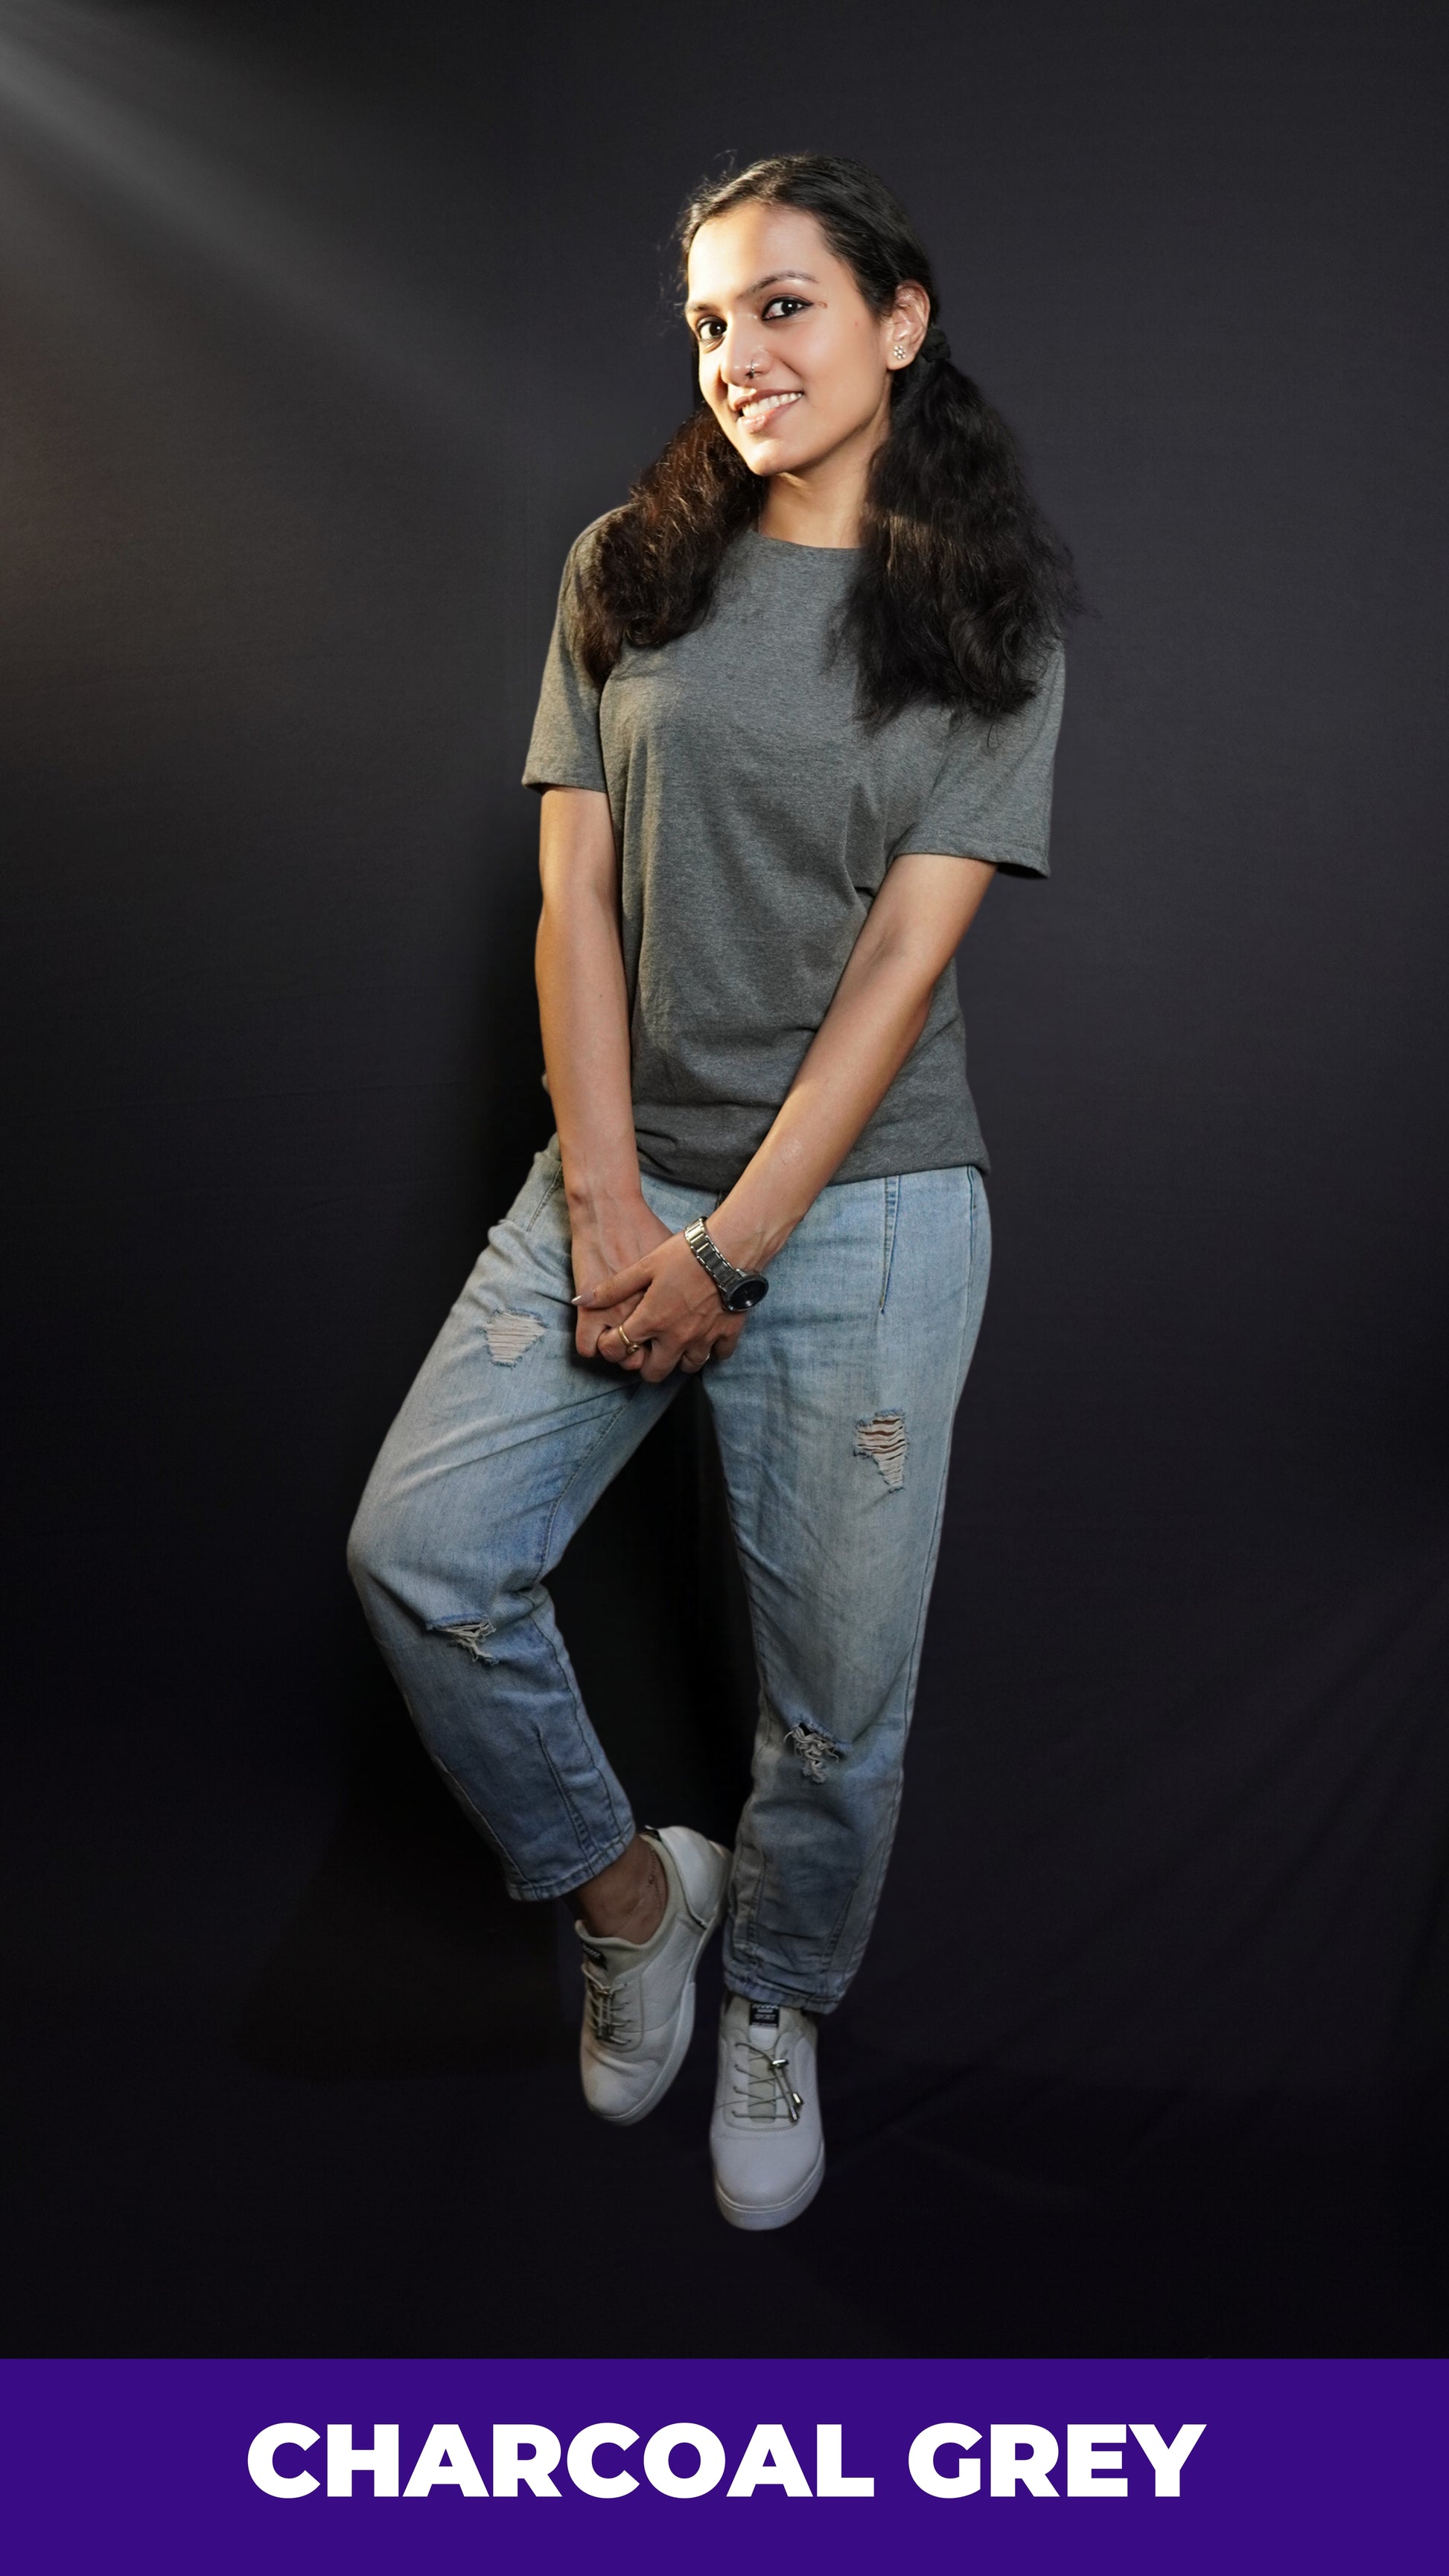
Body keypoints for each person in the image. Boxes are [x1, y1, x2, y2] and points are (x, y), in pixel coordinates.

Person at [347, 151, 1073, 2231]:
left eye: (782, 305)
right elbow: (572, 899)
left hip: (862, 1214)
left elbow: (901, 969)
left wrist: (731, 1251)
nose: (736, 353)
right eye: (705, 320)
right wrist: (604, 1206)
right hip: (610, 1169)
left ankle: (778, 1993)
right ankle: (634, 1896)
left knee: (836, 1710)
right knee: (421, 1552)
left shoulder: (986, 629)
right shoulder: (625, 568)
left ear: (897, 318)